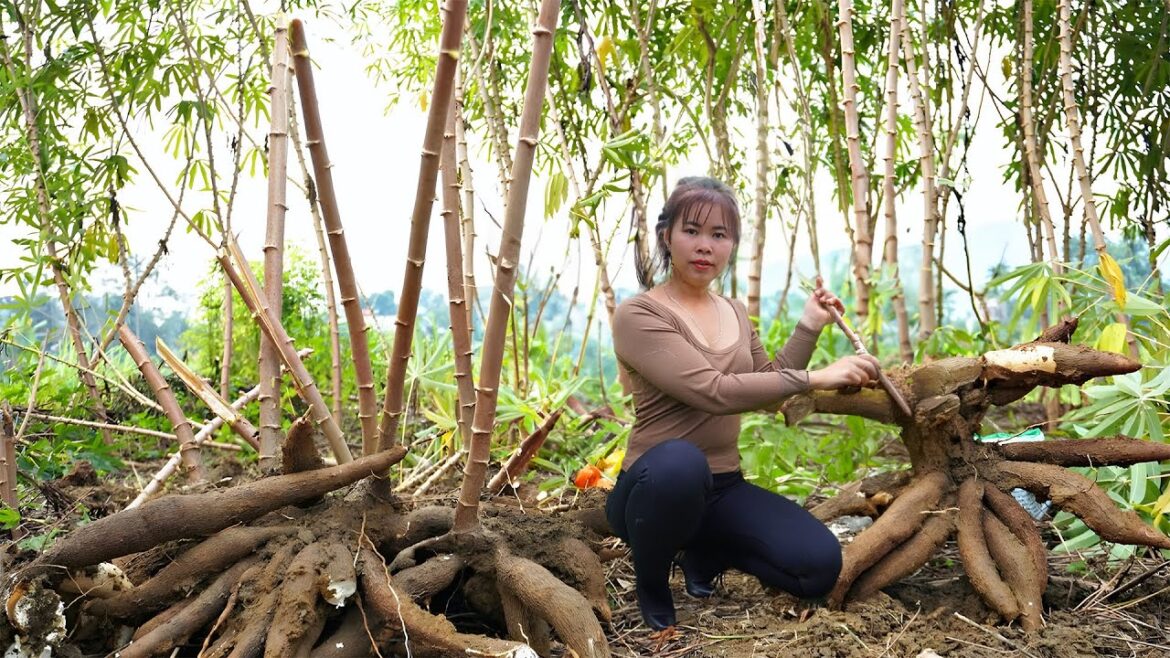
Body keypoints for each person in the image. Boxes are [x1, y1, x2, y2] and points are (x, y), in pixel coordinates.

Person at [607, 176, 881, 630]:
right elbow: (712, 391)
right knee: (680, 462)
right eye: (691, 230)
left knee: (818, 565)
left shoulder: (733, 311)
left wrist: (809, 326)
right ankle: (652, 581)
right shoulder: (640, 314)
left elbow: (769, 388)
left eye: (719, 235)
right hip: (652, 492)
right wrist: (819, 376)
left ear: (731, 245)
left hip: (722, 489)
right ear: (666, 236)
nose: (704, 246)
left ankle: (706, 552)